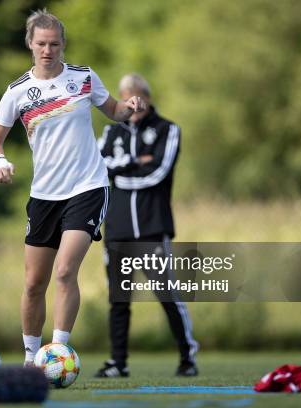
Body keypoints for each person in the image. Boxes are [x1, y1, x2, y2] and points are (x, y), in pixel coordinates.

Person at [0, 9, 147, 366]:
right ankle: (30, 358)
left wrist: (129, 107)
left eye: (54, 43)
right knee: (32, 284)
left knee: (64, 271)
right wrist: (0, 162)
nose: (48, 50)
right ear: (30, 44)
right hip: (44, 195)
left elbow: (114, 110)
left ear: (63, 45)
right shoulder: (16, 93)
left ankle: (57, 353)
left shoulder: (84, 78)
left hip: (88, 187)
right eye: (41, 43)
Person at [94, 73, 199, 377]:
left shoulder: (168, 130)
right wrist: (135, 161)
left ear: (147, 98)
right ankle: (117, 362)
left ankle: (187, 357)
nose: (133, 105)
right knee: (118, 299)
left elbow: (158, 172)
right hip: (117, 229)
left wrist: (122, 169)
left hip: (153, 228)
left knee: (167, 294)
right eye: (127, 100)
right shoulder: (111, 132)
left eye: (138, 99)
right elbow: (99, 167)